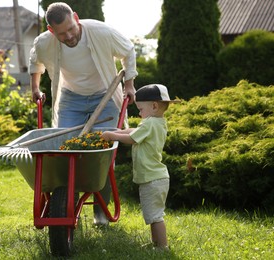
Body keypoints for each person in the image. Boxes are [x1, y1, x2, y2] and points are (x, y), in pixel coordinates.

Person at [28, 2, 138, 226]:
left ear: (76, 18)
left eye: (71, 28)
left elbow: (128, 51)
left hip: (104, 95)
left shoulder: (101, 32)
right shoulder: (44, 42)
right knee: (64, 150)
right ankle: (66, 204)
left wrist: (129, 85)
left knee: (103, 155)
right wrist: (35, 89)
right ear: (51, 31)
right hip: (71, 98)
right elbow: (35, 62)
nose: (69, 36)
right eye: (62, 33)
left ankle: (100, 215)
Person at [102, 84, 180, 250]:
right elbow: (134, 131)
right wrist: (120, 131)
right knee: (153, 215)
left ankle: (162, 247)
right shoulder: (158, 122)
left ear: (153, 106)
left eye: (140, 109)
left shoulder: (150, 123)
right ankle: (156, 244)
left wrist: (112, 135)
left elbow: (132, 138)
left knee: (156, 216)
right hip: (156, 177)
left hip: (153, 179)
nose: (139, 113)